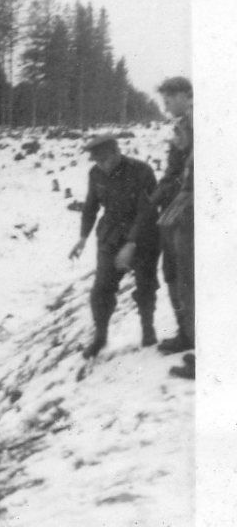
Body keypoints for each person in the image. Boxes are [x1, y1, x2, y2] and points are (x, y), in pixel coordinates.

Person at [68, 134, 160, 358]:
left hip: (143, 235)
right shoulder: (96, 174)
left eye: (105, 160)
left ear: (117, 153)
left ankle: (148, 330)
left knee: (145, 286)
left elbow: (147, 211)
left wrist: (132, 243)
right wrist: (82, 238)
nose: (101, 165)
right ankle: (100, 337)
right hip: (110, 235)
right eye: (97, 161)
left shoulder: (142, 171)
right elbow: (91, 206)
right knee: (101, 289)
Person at [150, 76, 195, 379]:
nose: (165, 105)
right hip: (180, 210)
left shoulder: (200, 123)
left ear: (184, 95)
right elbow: (174, 169)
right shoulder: (183, 127)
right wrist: (155, 196)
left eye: (168, 98)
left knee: (193, 280)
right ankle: (189, 336)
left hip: (195, 210)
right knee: (178, 275)